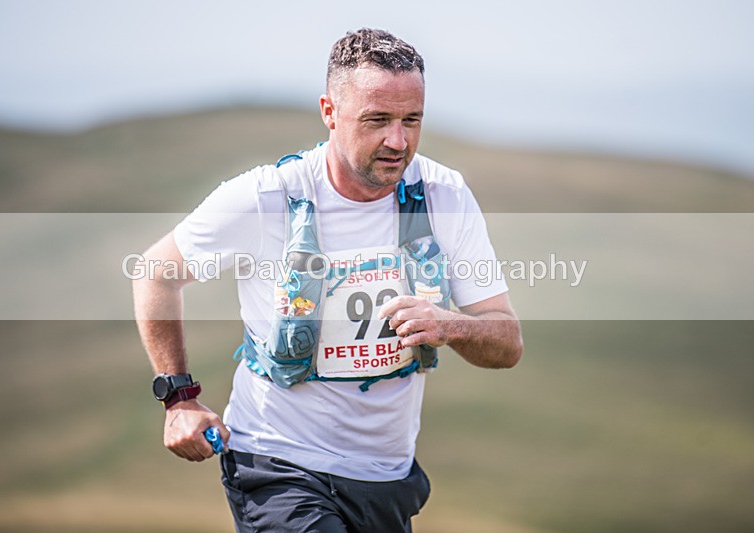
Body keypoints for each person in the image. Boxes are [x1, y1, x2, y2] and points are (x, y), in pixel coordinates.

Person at [133, 28, 522, 532]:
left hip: (386, 477)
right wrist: (178, 398)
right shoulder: (267, 196)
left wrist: (451, 326)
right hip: (278, 462)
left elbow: (507, 342)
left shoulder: (443, 193)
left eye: (412, 120)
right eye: (377, 120)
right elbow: (155, 273)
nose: (397, 141)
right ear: (330, 112)